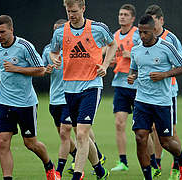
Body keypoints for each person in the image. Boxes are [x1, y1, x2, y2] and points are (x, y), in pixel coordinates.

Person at [49, 0, 117, 179]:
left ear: (83, 8)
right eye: (68, 11)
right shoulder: (60, 32)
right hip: (69, 88)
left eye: (74, 11)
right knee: (81, 134)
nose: (71, 15)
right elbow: (53, 51)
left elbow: (113, 45)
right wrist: (55, 58)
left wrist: (105, 65)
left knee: (81, 133)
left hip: (91, 86)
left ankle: (77, 175)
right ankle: (100, 170)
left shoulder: (98, 28)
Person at [0, 15, 59, 180]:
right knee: (2, 141)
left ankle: (49, 165)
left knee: (30, 144)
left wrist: (16, 68)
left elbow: (41, 70)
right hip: (4, 102)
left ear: (11, 30)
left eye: (2, 32)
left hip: (26, 103)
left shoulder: (25, 47)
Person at [128, 14, 182, 180]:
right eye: (140, 32)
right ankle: (148, 177)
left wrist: (165, 74)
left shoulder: (166, 47)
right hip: (141, 100)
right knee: (140, 137)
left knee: (166, 142)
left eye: (145, 32)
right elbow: (134, 68)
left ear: (154, 30)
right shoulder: (136, 49)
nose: (142, 36)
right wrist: (132, 76)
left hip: (162, 102)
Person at [43, 19, 106, 178]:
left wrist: (102, 63)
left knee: (74, 133)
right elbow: (42, 69)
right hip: (58, 97)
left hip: (80, 93)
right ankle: (99, 167)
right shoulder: (49, 51)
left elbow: (103, 47)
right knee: (76, 134)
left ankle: (62, 172)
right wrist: (47, 68)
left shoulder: (84, 41)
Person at [145, 5, 182, 180]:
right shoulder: (145, 37)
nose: (151, 23)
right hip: (149, 93)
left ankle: (179, 162)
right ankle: (157, 163)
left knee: (169, 130)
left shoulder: (170, 38)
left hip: (167, 90)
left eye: (154, 20)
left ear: (161, 20)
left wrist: (165, 71)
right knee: (150, 129)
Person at [109, 4, 140, 172]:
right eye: (120, 14)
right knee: (119, 124)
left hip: (136, 85)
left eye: (126, 15)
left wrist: (132, 54)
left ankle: (153, 161)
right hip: (120, 84)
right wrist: (112, 61)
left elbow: (145, 55)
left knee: (143, 129)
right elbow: (114, 58)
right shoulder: (114, 35)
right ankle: (123, 162)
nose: (122, 17)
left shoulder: (137, 34)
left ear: (132, 18)